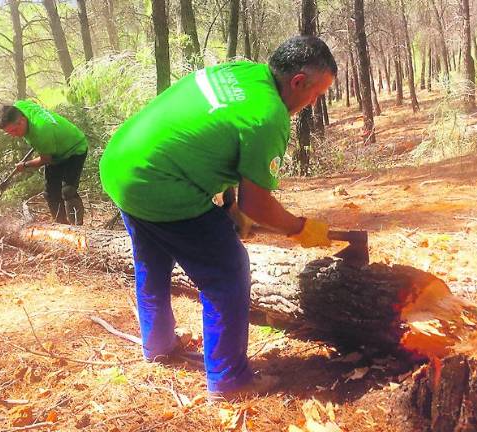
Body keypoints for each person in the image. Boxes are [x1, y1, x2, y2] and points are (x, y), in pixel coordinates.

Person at [99, 35, 337, 400]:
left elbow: (217, 138)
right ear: (298, 82)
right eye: (316, 94)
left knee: (152, 260)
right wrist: (301, 229)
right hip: (156, 181)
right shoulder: (268, 115)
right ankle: (230, 381)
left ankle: (159, 345)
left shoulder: (243, 72)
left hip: (120, 164)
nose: (312, 103)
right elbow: (257, 205)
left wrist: (229, 206)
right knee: (228, 272)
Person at [0, 100, 88, 225]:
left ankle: (78, 229)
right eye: (9, 132)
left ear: (22, 120)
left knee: (68, 191)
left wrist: (25, 165)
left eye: (14, 130)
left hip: (75, 148)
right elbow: (31, 102)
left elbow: (46, 159)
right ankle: (61, 226)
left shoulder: (41, 131)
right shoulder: (19, 107)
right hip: (55, 149)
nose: (13, 135)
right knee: (50, 193)